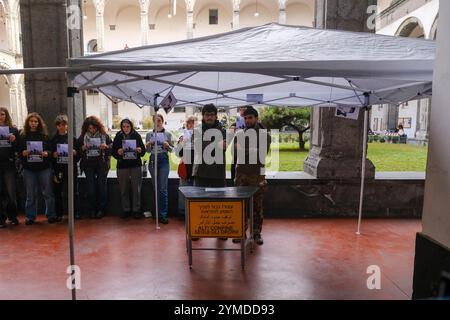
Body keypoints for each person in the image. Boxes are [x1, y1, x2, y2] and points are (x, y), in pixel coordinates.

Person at [233, 107, 271, 246]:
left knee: (257, 206)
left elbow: (261, 154)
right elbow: (234, 154)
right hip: (241, 174)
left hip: (257, 176)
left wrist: (243, 150)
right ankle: (240, 232)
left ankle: (256, 233)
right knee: (241, 206)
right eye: (246, 118)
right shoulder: (239, 134)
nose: (248, 120)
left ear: (256, 118)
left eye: (250, 118)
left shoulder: (264, 135)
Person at [18, 113, 56, 225]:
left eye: (35, 121)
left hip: (44, 168)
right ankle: (30, 217)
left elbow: (51, 151)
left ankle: (51, 215)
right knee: (30, 195)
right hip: (29, 169)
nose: (33, 123)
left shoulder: (44, 136)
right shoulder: (23, 136)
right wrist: (23, 153)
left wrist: (46, 153)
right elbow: (19, 152)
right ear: (28, 123)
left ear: (39, 123)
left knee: (48, 193)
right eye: (31, 121)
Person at [79, 116, 112, 219]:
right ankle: (92, 209)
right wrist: (82, 148)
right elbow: (77, 150)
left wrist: (106, 147)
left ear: (98, 127)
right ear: (86, 128)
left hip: (101, 165)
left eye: (94, 128)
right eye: (89, 128)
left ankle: (101, 210)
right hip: (88, 165)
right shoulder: (83, 136)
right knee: (91, 189)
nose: (92, 130)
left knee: (102, 187)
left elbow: (112, 148)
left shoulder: (104, 136)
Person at [112, 119, 146, 219]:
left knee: (137, 189)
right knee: (123, 189)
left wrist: (139, 150)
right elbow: (113, 152)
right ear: (121, 127)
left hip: (135, 166)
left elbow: (143, 151)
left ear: (131, 126)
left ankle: (136, 210)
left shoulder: (136, 135)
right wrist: (118, 152)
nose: (126, 128)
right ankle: (126, 209)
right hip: (122, 166)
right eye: (124, 127)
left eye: (128, 126)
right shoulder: (118, 136)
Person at [50, 115, 80, 221]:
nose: (62, 127)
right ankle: (59, 213)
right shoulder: (53, 140)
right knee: (58, 192)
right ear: (57, 126)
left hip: (71, 169)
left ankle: (75, 212)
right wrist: (53, 154)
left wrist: (75, 153)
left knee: (74, 191)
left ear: (67, 125)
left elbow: (79, 154)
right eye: (60, 125)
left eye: (64, 124)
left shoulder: (73, 139)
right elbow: (50, 155)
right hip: (58, 169)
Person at [146, 114, 173, 224]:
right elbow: (147, 151)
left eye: (159, 121)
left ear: (162, 121)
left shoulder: (167, 134)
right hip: (153, 159)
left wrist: (167, 146)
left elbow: (172, 150)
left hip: (163, 160)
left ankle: (163, 215)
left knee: (163, 188)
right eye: (155, 121)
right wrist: (148, 144)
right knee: (155, 188)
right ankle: (156, 213)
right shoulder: (149, 134)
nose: (157, 123)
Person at [192, 104, 227, 188]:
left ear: (216, 116)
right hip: (201, 173)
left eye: (212, 115)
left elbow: (223, 147)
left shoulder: (223, 131)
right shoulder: (197, 131)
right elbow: (199, 147)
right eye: (207, 115)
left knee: (218, 200)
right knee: (199, 201)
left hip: (218, 174)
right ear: (203, 116)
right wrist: (216, 144)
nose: (209, 117)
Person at [0, 107, 19, 228]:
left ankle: (12, 217)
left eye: (2, 114)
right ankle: (1, 219)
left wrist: (14, 140)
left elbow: (17, 149)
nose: (0, 116)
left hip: (8, 163)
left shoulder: (13, 130)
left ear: (6, 115)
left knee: (11, 191)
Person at [174, 116, 197, 217]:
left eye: (192, 123)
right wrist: (181, 143)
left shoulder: (201, 136)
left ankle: (194, 212)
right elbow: (178, 153)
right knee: (183, 190)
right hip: (185, 167)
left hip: (196, 168)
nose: (190, 125)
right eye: (189, 124)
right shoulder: (183, 137)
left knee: (195, 191)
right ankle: (182, 212)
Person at [230, 106, 248, 183]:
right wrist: (232, 128)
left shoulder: (250, 120)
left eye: (244, 109)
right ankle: (233, 179)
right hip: (237, 145)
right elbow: (231, 130)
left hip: (247, 146)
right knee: (234, 162)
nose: (242, 111)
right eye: (241, 109)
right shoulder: (238, 120)